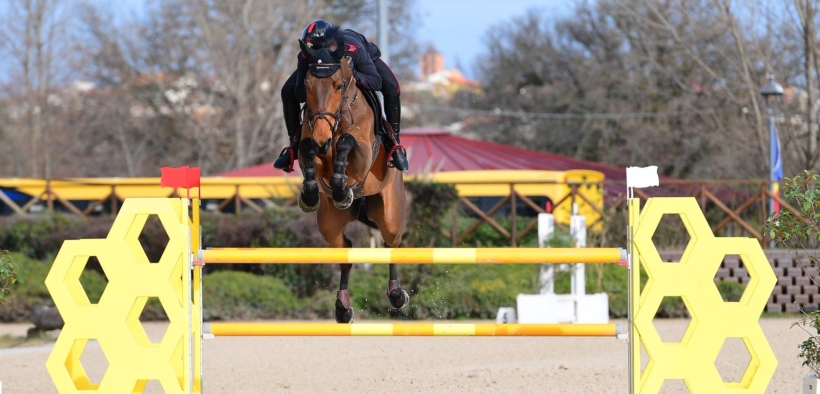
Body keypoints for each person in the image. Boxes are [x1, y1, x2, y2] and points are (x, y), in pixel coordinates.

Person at [273, 19, 409, 173]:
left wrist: (352, 74)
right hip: (323, 72)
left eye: (315, 47)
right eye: (310, 48)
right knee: (286, 91)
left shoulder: (353, 49)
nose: (312, 52)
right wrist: (313, 86)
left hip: (364, 60)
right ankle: (293, 145)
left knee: (392, 86)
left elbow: (376, 82)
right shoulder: (306, 55)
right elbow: (299, 95)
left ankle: (394, 144)